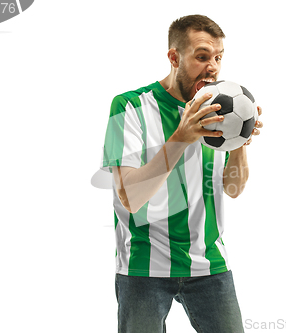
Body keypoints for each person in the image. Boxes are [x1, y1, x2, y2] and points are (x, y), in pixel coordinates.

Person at [101, 14, 263, 333]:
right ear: (174, 57)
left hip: (210, 264)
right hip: (143, 267)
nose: (213, 67)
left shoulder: (220, 113)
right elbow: (131, 197)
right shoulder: (129, 106)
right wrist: (181, 137)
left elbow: (233, 189)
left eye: (218, 57)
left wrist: (240, 140)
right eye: (202, 57)